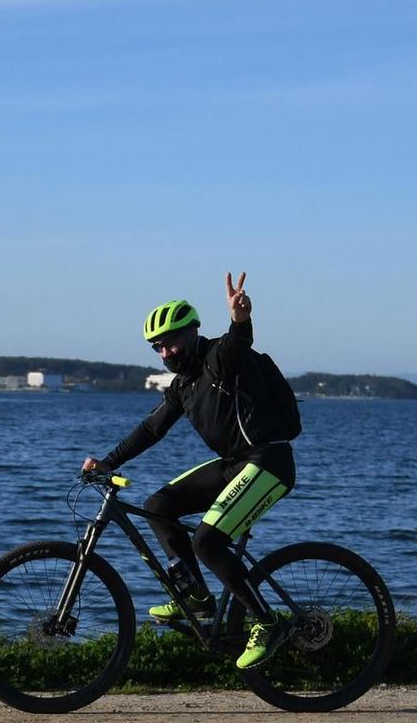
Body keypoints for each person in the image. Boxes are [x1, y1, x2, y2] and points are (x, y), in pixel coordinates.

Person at [83, 272, 300, 669]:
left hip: (269, 461)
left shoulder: (220, 357)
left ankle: (268, 623)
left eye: (171, 342)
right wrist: (110, 460)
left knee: (207, 542)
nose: (165, 352)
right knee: (158, 505)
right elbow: (152, 429)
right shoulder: (183, 385)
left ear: (193, 332)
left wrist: (239, 318)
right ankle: (197, 595)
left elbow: (240, 342)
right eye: (157, 347)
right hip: (236, 464)